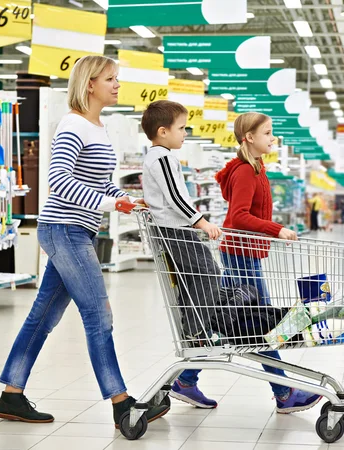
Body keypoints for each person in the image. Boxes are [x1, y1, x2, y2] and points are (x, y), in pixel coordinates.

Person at [0, 56, 169, 428]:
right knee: (99, 315)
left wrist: (123, 198)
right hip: (64, 229)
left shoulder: (98, 126)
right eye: (111, 79)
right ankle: (122, 403)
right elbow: (58, 181)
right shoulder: (73, 124)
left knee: (43, 315)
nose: (117, 84)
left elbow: (94, 181)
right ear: (89, 84)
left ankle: (11, 395)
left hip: (78, 229)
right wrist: (109, 203)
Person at [212, 112, 322, 414]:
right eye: (267, 133)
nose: (273, 138)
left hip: (243, 253)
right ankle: (285, 392)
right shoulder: (246, 171)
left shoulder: (254, 168)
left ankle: (186, 377)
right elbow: (238, 217)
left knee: (228, 321)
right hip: (240, 254)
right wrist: (277, 229)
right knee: (258, 323)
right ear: (249, 137)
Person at [140, 100, 223, 409]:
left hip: (176, 230)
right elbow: (175, 196)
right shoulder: (162, 157)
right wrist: (200, 221)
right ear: (163, 132)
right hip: (177, 231)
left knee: (199, 277)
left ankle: (196, 328)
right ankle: (196, 331)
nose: (186, 133)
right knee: (210, 273)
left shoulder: (161, 156)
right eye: (182, 128)